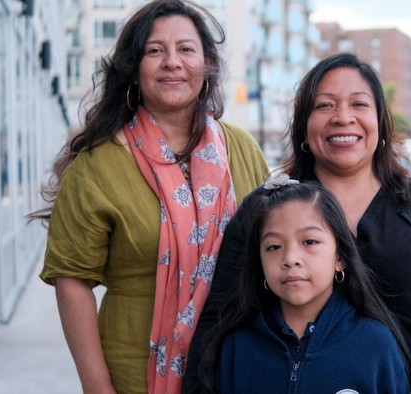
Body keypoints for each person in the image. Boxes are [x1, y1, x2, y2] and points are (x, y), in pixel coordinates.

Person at [185, 53, 411, 393]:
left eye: (359, 104)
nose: (343, 118)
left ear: (380, 121)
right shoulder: (267, 208)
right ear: (303, 124)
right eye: (325, 106)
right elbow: (220, 317)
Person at [28, 1, 268, 393]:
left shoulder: (241, 148)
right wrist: (97, 387)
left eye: (186, 50)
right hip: (134, 373)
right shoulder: (97, 164)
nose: (172, 62)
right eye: (155, 51)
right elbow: (72, 279)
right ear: (134, 71)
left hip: (236, 366)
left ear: (206, 66)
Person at [198, 178, 410, 393]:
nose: (290, 258)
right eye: (274, 246)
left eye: (309, 242)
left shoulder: (375, 345)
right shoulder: (238, 347)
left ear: (340, 258)